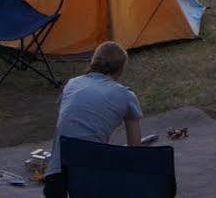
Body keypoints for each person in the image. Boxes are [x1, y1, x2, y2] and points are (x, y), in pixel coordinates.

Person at [43, 41, 147, 197]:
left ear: (94, 61)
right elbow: (135, 151)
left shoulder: (72, 83)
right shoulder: (126, 96)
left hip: (55, 177)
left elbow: (66, 123)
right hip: (90, 179)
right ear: (121, 68)